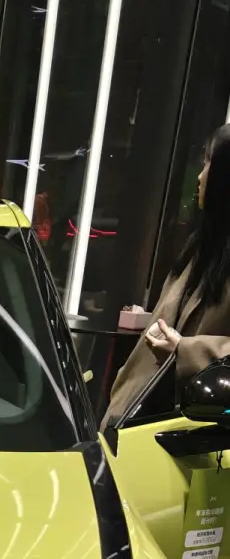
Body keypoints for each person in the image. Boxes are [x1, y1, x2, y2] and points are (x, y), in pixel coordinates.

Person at [105, 124, 230, 426]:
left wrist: (186, 351)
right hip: (134, 419)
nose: (200, 177)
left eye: (209, 164)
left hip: (193, 432)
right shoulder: (204, 247)